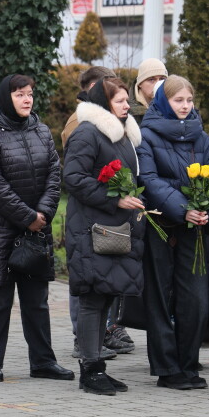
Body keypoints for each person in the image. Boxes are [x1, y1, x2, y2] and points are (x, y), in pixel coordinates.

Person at [0, 74, 73, 382]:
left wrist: (43, 212)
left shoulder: (41, 130)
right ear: (6, 98)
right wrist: (27, 216)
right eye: (19, 94)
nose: (27, 99)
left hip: (34, 229)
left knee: (37, 301)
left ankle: (43, 362)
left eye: (29, 94)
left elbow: (54, 173)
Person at [137, 75, 209, 390]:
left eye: (189, 100)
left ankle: (188, 365)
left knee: (196, 299)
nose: (185, 106)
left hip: (194, 230)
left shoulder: (201, 138)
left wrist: (208, 210)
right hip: (161, 227)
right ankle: (167, 369)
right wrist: (183, 207)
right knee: (160, 299)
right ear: (164, 102)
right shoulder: (146, 136)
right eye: (178, 101)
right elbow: (149, 179)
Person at [63, 77, 145, 395]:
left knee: (106, 296)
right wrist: (114, 200)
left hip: (113, 230)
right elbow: (73, 177)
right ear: (103, 103)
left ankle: (98, 367)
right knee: (92, 299)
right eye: (120, 101)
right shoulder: (87, 132)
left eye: (127, 100)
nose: (127, 106)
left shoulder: (121, 134)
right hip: (90, 229)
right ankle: (89, 369)